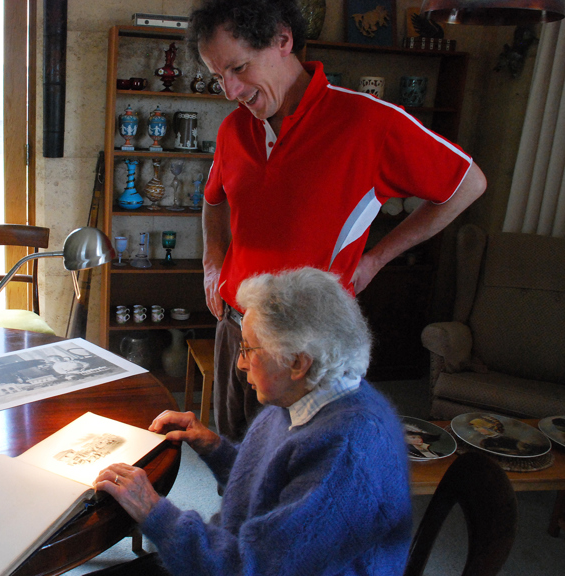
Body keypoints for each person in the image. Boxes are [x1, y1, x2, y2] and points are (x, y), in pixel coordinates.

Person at [191, 0, 488, 442]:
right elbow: (213, 199)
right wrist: (212, 259)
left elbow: (468, 185)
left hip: (309, 349)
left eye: (239, 68)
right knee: (235, 462)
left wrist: (376, 260)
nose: (231, 90)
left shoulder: (369, 122)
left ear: (283, 40)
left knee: (302, 479)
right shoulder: (234, 129)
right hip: (235, 330)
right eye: (219, 78)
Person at [91, 268, 413, 576]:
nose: (240, 363)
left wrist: (153, 510)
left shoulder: (344, 456)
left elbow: (249, 568)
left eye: (247, 349)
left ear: (297, 362)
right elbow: (272, 484)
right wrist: (214, 446)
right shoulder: (305, 394)